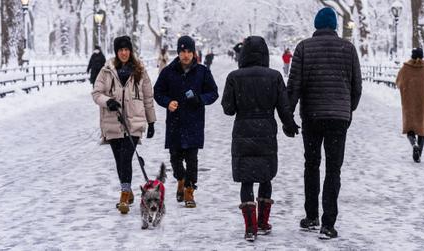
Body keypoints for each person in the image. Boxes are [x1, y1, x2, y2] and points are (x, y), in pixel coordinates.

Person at [286, 7, 362, 239]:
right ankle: (328, 223)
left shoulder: (303, 47)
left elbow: (294, 86)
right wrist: (347, 110)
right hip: (338, 118)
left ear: (317, 25)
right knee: (333, 169)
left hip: (312, 117)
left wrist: (287, 116)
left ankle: (311, 216)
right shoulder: (348, 49)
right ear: (335, 26)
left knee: (311, 165)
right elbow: (356, 86)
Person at [222, 36, 299, 241]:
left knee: (246, 180)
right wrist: (289, 126)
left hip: (243, 132)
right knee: (266, 176)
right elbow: (284, 107)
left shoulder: (234, 77)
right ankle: (263, 222)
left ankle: (250, 227)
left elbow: (228, 109)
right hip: (266, 131)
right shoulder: (274, 77)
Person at [92, 36, 156, 214]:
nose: (124, 52)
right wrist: (108, 101)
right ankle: (127, 191)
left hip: (134, 123)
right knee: (120, 161)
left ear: (131, 50)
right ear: (116, 51)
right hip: (112, 122)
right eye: (120, 49)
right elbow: (96, 93)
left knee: (126, 158)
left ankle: (124, 195)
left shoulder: (140, 71)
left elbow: (148, 97)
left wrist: (151, 122)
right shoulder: (106, 71)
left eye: (126, 49)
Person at [153, 35, 219, 208]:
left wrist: (199, 99)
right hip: (175, 122)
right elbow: (157, 92)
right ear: (179, 52)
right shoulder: (168, 71)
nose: (186, 55)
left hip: (194, 122)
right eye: (183, 51)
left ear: (194, 52)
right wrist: (167, 102)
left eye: (189, 51)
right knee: (175, 158)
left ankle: (189, 190)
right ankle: (180, 179)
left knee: (192, 158)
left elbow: (213, 93)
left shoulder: (202, 71)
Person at [396, 48, 424, 163]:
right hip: (422, 103)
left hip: (409, 102)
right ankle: (418, 154)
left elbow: (398, 82)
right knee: (422, 129)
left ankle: (414, 144)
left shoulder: (405, 68)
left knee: (410, 128)